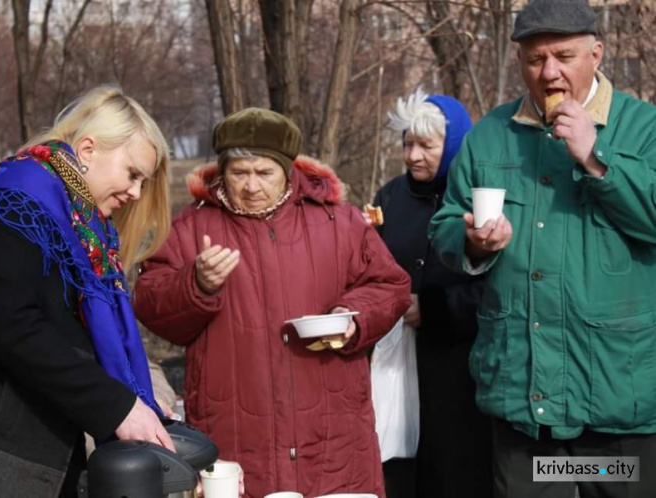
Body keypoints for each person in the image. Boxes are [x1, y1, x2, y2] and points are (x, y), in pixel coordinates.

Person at [429, 0, 656, 497]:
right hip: (525, 397)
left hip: (616, 401)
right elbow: (446, 222)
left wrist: (596, 159)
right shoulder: (492, 135)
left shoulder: (643, 128)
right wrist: (470, 242)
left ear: (596, 54)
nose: (549, 72)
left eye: (564, 56)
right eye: (535, 60)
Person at [0, 86, 176, 498]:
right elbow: (13, 325)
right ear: (87, 149)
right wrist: (116, 406)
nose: (136, 193)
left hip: (20, 441)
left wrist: (141, 404)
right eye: (133, 174)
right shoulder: (16, 199)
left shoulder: (80, 227)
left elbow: (69, 334)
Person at [134, 107, 411, 498]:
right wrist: (196, 284)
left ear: (288, 170)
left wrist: (352, 318)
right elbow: (148, 303)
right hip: (235, 434)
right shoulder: (190, 227)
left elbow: (390, 284)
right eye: (238, 172)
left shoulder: (338, 222)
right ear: (222, 170)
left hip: (332, 437)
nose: (250, 186)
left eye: (263, 172)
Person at [371, 89, 491, 498]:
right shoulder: (389, 198)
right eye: (408, 144)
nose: (413, 156)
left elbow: (498, 283)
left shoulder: (480, 200)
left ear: (454, 144)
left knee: (456, 471)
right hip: (398, 362)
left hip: (463, 368)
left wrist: (438, 310)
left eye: (427, 145)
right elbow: (372, 268)